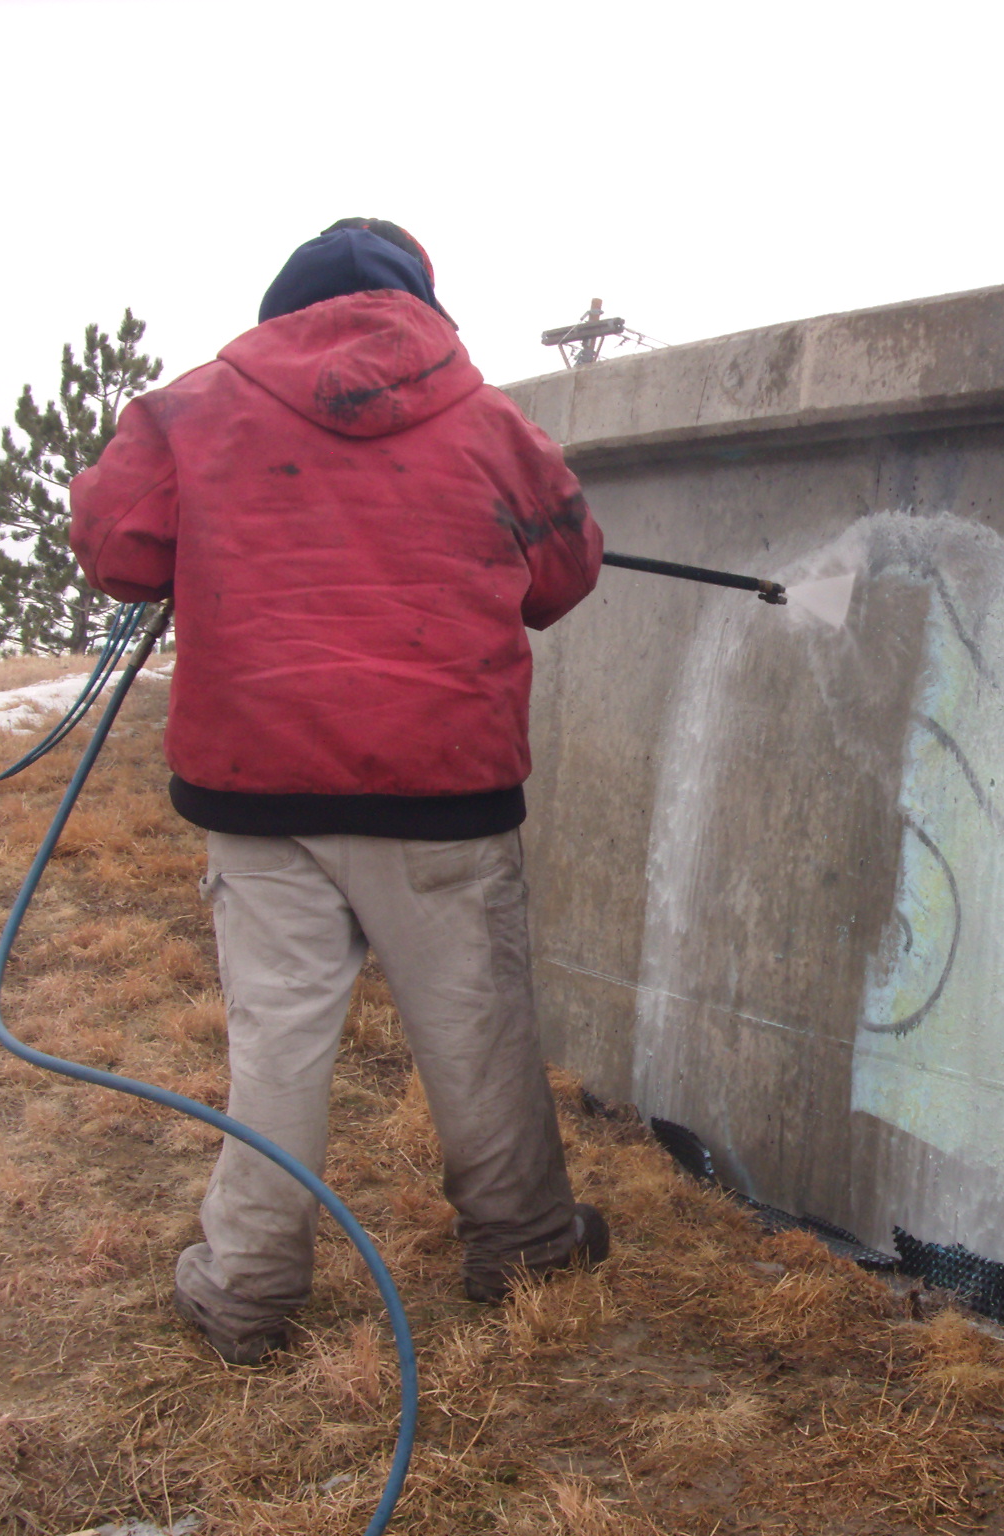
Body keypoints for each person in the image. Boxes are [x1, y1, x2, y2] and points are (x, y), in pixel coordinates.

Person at [71, 218, 606, 1366]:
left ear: (283, 307)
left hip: (258, 785)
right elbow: (563, 575)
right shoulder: (489, 419)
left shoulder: (191, 407)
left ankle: (247, 1288)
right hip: (442, 790)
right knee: (477, 1034)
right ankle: (521, 1248)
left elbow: (117, 547)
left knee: (276, 1044)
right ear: (421, 308)